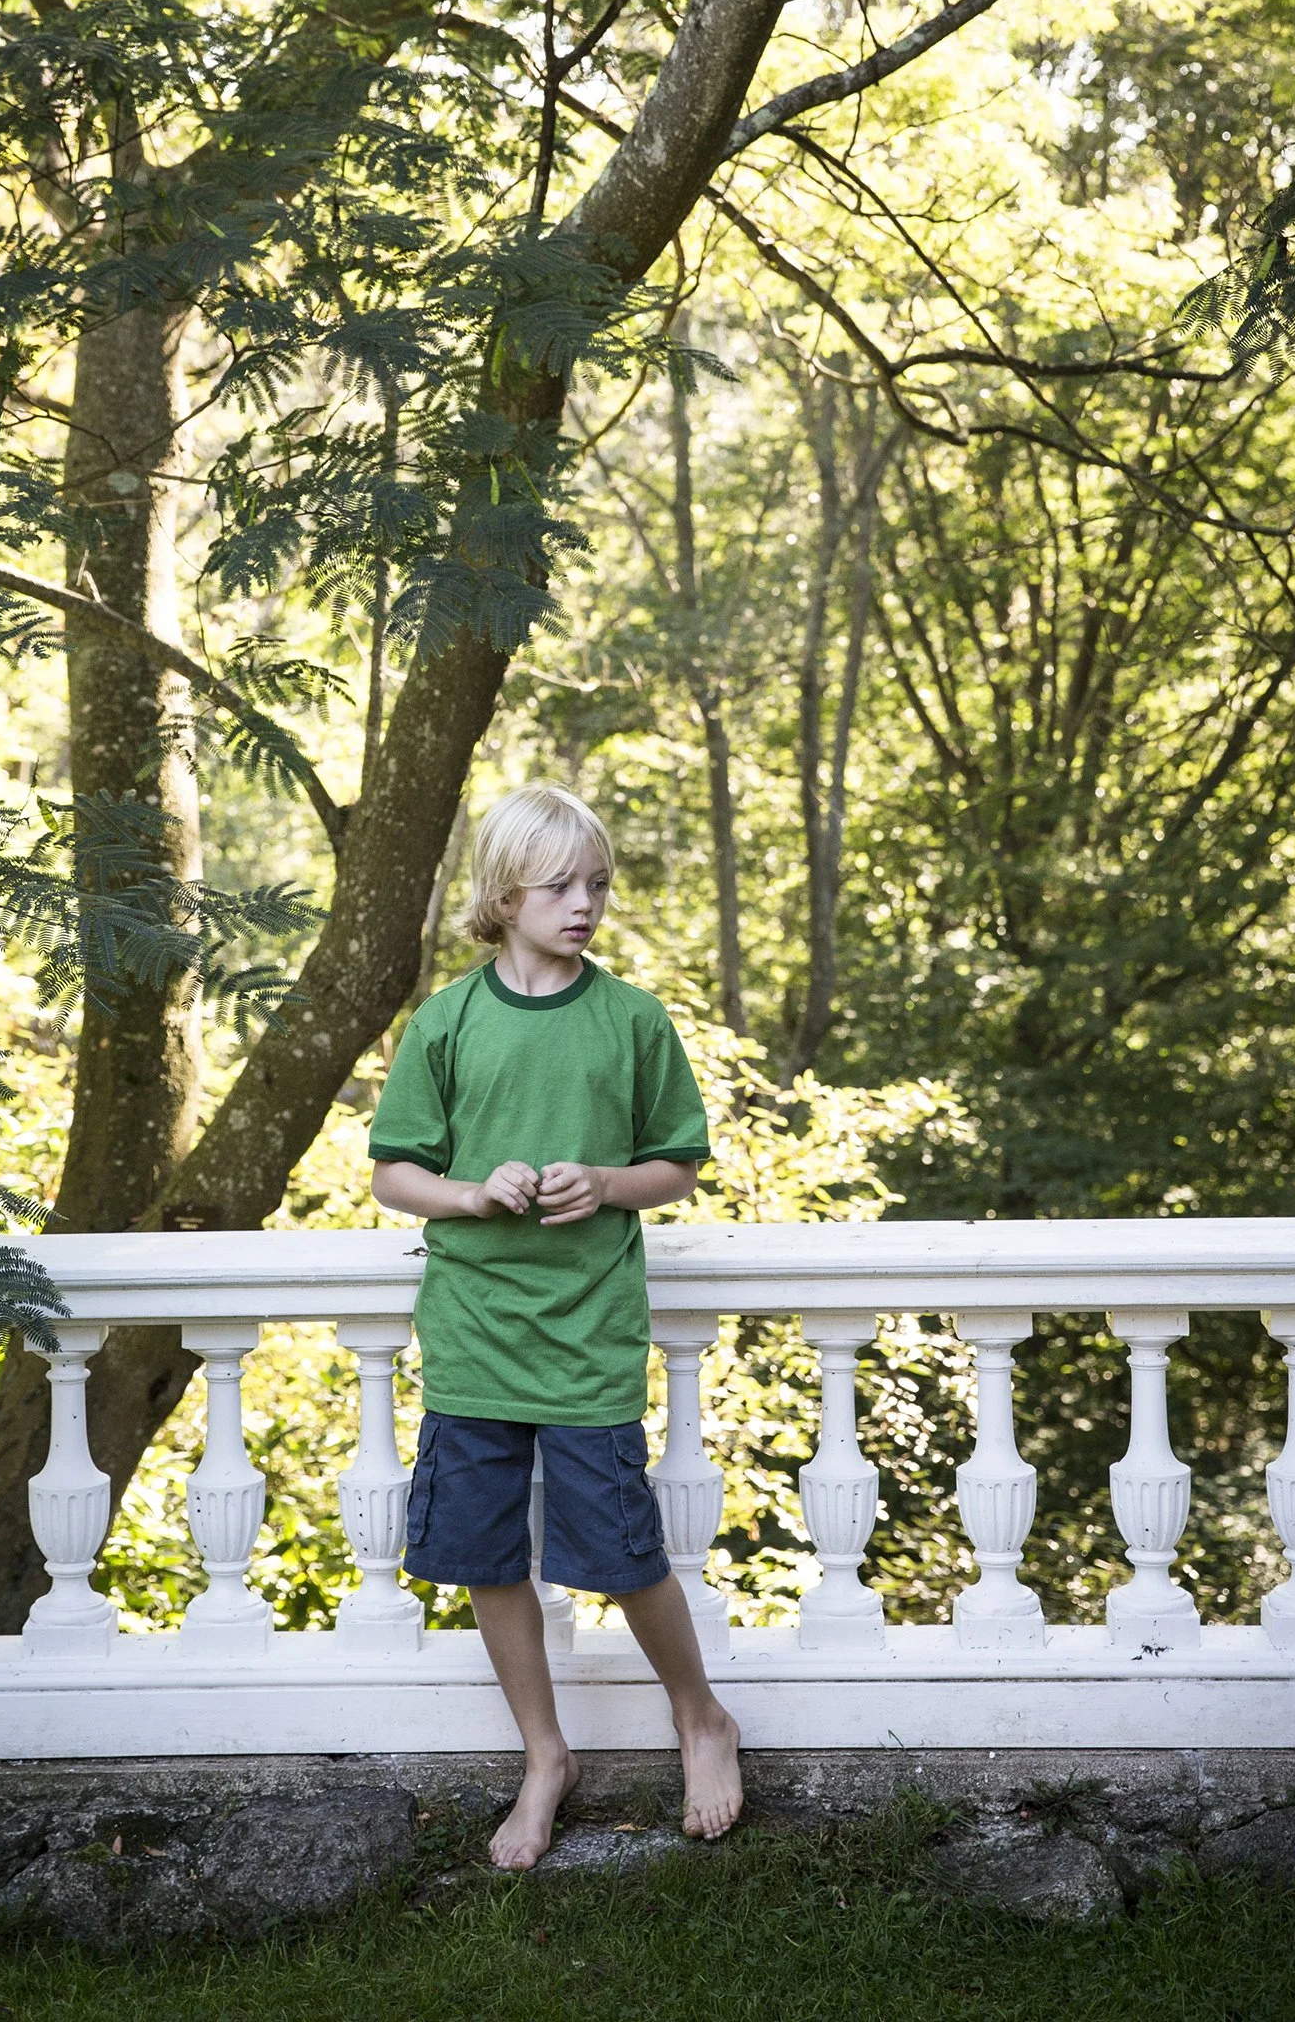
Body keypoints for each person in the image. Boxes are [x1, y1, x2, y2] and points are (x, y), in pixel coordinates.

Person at [368, 782, 744, 1870]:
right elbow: (396, 1174)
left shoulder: (630, 1019)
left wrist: (610, 1183)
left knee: (624, 1554)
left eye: (597, 886)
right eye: (560, 885)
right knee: (490, 1557)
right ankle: (546, 1758)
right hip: (475, 1339)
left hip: (586, 1340)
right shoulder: (445, 1021)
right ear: (501, 893)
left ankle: (700, 1719)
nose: (584, 904)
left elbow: (675, 1162)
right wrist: (476, 1191)